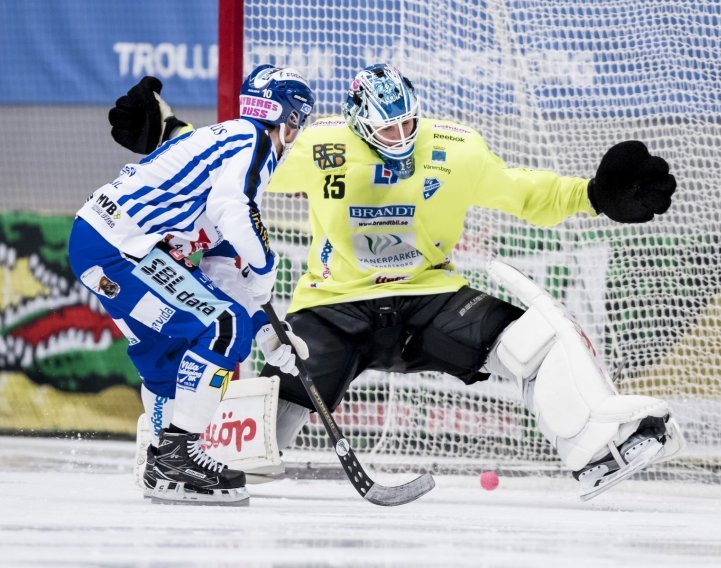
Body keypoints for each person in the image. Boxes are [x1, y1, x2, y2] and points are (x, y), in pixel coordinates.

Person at [109, 63, 684, 499]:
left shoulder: (456, 149)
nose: (400, 135)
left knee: (530, 341)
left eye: (409, 121)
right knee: (263, 438)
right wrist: (166, 132)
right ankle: (171, 448)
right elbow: (239, 154)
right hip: (333, 308)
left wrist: (592, 195)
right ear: (359, 120)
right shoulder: (320, 144)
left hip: (429, 299)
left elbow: (523, 192)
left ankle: (597, 450)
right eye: (386, 126)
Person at [69, 65, 315, 505]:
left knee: (170, 356)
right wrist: (264, 270)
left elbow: (220, 270)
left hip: (100, 244)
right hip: (122, 249)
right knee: (224, 327)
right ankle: (179, 457)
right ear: (291, 121)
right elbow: (234, 210)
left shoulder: (223, 141)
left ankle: (162, 462)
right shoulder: (254, 143)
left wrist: (268, 332)